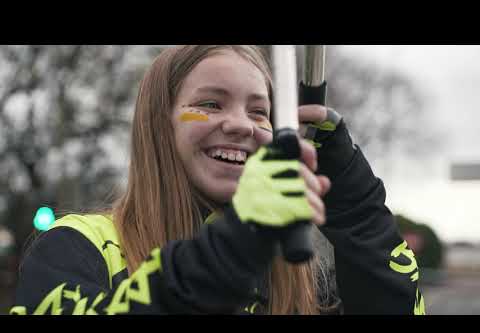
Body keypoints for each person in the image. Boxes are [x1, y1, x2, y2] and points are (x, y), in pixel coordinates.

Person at [10, 45, 425, 315]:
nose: (240, 125)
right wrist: (235, 245)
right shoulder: (76, 247)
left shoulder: (302, 276)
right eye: (210, 104)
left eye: (258, 111)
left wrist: (355, 205)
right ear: (159, 125)